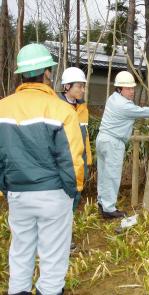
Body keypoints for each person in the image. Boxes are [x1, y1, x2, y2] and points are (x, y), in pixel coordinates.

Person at [0, 44, 84, 295]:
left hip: (17, 193)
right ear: (47, 73)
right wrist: (74, 192)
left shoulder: (2, 107)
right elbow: (72, 159)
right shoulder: (61, 110)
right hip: (54, 193)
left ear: (21, 74)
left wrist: (6, 187)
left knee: (21, 250)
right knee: (53, 256)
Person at [96, 71, 149, 218]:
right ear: (119, 89)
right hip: (113, 142)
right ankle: (108, 209)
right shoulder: (123, 105)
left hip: (103, 139)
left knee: (104, 174)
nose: (131, 91)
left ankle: (102, 203)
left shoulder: (113, 98)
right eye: (128, 88)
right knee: (112, 175)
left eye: (132, 88)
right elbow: (140, 111)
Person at [60, 67, 92, 211]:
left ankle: (69, 225)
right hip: (63, 160)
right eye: (79, 86)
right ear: (67, 86)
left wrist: (88, 158)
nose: (82, 90)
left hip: (80, 160)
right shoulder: (56, 106)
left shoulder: (82, 107)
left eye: (83, 86)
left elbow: (85, 136)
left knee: (76, 193)